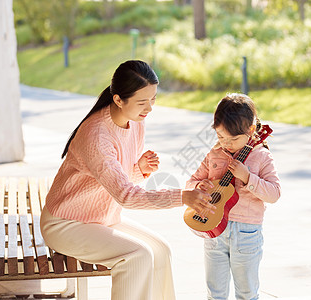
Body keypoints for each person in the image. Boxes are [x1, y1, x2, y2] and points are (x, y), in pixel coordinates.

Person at [40, 60, 215, 300]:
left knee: (160, 249)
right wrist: (182, 197)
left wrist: (138, 169)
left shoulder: (135, 122)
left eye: (153, 99)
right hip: (66, 224)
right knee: (137, 255)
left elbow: (112, 179)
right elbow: (126, 196)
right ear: (118, 100)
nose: (149, 108)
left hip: (101, 218)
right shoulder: (97, 136)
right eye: (142, 102)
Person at [186, 93, 281, 300]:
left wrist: (248, 178)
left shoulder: (261, 156)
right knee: (215, 292)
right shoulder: (214, 154)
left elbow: (274, 193)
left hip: (246, 233)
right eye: (220, 137)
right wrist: (199, 186)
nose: (226, 143)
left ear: (251, 131)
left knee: (247, 292)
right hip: (214, 231)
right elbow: (191, 183)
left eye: (233, 139)